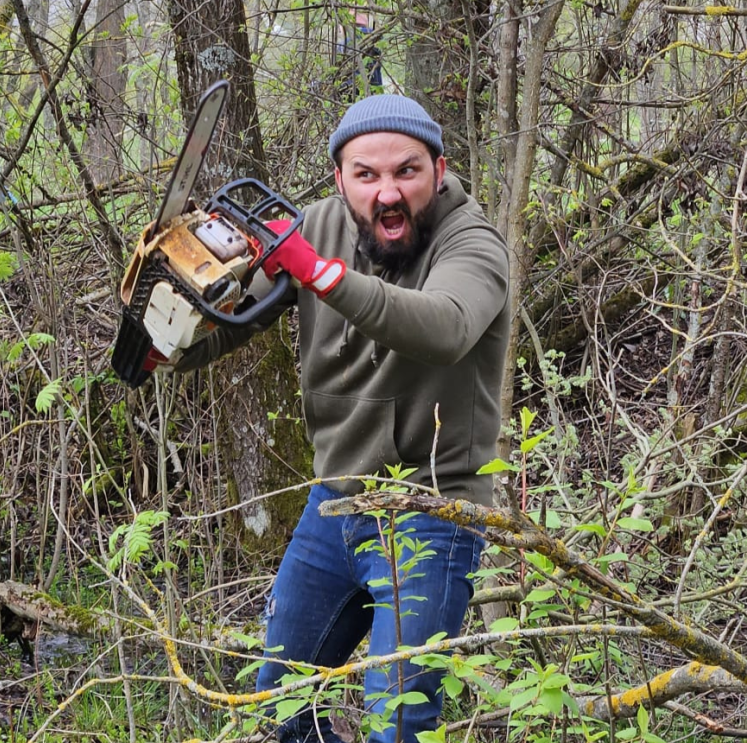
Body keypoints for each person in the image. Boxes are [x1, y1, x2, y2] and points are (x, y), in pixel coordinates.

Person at [174, 95, 510, 743]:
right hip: (334, 506)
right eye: (366, 175)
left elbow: (446, 327)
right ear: (339, 179)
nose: (388, 192)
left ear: (439, 171)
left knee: (396, 719)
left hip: (433, 514)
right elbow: (230, 326)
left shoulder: (472, 242)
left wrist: (319, 273)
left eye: (406, 171)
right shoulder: (318, 228)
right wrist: (171, 331)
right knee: (281, 704)